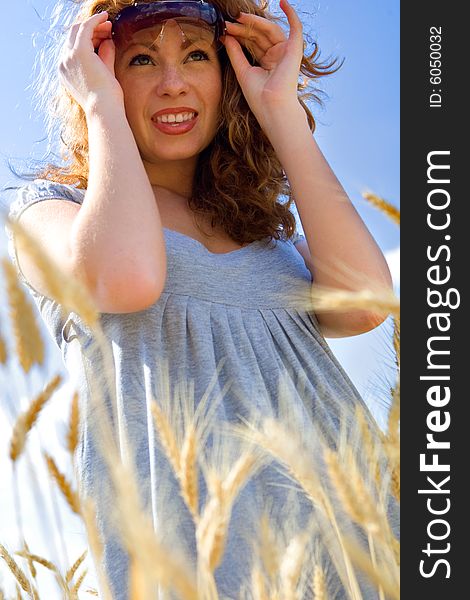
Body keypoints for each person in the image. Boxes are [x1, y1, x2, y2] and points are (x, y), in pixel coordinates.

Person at [6, 0, 396, 598]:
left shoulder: (268, 232)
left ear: (228, 76)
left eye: (196, 55)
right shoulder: (54, 210)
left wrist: (278, 110)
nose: (172, 84)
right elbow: (126, 276)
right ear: (100, 69)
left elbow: (366, 304)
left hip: (358, 545)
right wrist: (101, 107)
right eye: (141, 60)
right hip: (200, 560)